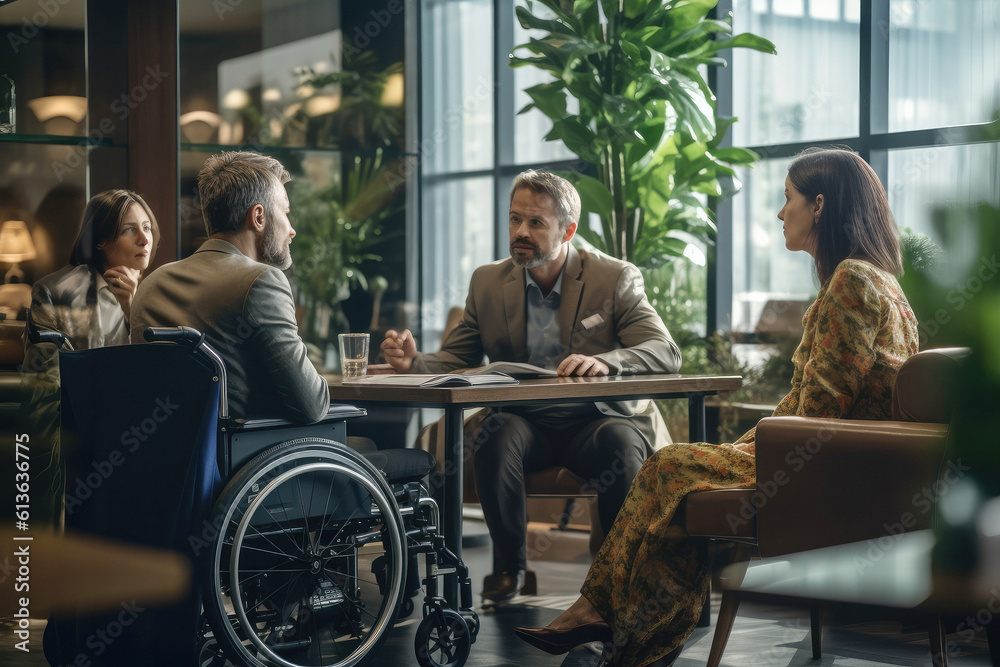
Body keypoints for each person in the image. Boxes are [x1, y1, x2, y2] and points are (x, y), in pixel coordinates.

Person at [513, 148, 920, 666]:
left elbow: (821, 410)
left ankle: (610, 620)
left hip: (826, 469)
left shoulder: (853, 282)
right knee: (679, 479)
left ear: (819, 206)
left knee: (666, 465)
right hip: (840, 461)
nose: (779, 213)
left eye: (787, 199)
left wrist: (753, 447)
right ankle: (627, 634)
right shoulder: (879, 280)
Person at [381, 169, 682, 604]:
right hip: (524, 422)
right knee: (493, 431)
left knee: (622, 442)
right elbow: (458, 358)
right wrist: (413, 361)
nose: (520, 232)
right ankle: (510, 570)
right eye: (514, 219)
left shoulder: (613, 278)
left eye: (536, 223)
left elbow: (665, 350)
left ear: (568, 229)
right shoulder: (488, 281)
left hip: (594, 420)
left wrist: (605, 362)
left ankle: (618, 578)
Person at [130, 151, 329, 423]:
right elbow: (312, 406)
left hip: (162, 460)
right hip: (247, 457)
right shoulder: (262, 282)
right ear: (258, 217)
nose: (292, 230)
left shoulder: (150, 285)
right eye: (285, 212)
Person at [26, 189, 159, 353]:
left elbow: (157, 365)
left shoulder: (158, 294)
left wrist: (132, 310)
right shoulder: (53, 291)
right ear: (100, 240)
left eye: (146, 228)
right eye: (130, 229)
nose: (144, 240)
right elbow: (44, 373)